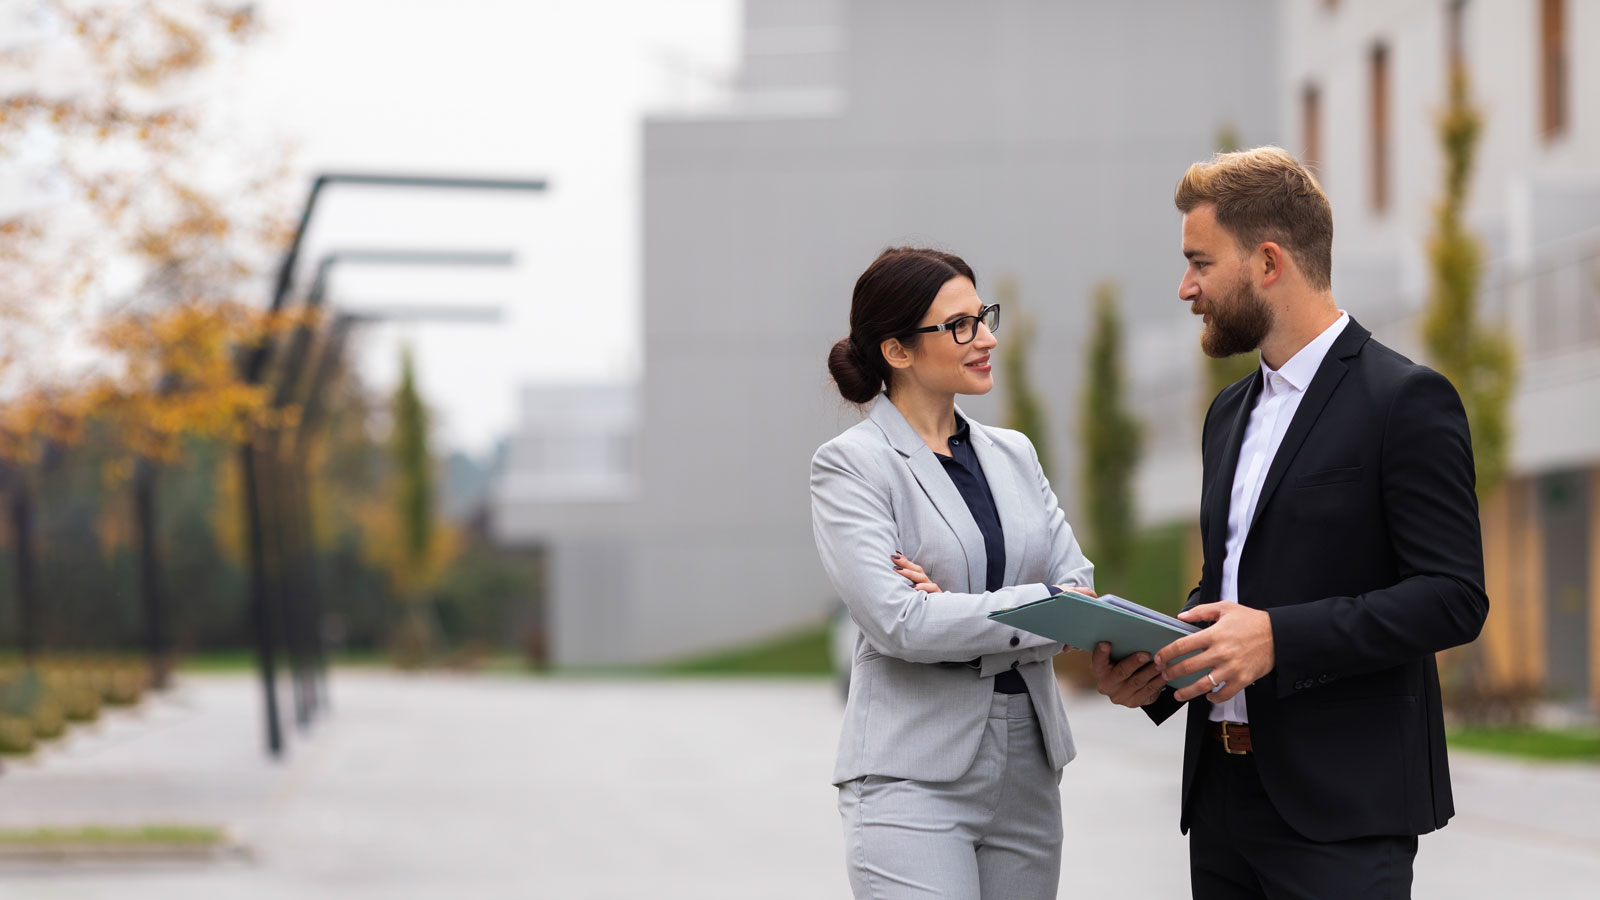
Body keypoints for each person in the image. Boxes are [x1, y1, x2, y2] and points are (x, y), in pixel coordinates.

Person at [1091, 146, 1489, 898]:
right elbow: (1227, 585)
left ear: (1268, 261)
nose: (1186, 288)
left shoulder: (1406, 400)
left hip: (1342, 815)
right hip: (1220, 805)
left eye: (1200, 262)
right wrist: (1160, 674)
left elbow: (1453, 596)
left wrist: (1279, 637)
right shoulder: (1227, 414)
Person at [811, 246, 1095, 899]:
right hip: (911, 778)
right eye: (960, 325)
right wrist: (1035, 607)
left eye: (984, 315)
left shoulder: (1014, 454)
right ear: (899, 351)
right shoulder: (852, 466)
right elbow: (900, 623)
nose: (987, 338)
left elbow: (1077, 591)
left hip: (1029, 770)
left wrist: (965, 610)